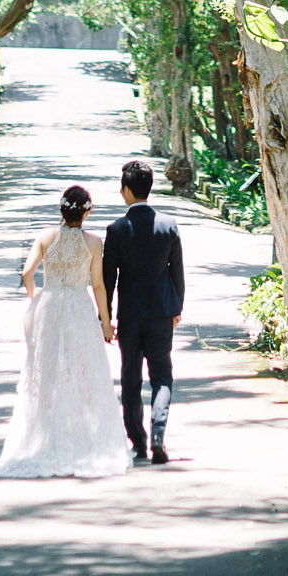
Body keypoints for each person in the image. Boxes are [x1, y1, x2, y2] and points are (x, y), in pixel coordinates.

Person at [0, 183, 128, 479]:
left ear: (61, 209)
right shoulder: (94, 243)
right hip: (77, 306)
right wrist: (106, 321)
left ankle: (43, 434)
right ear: (86, 212)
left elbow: (26, 273)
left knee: (44, 372)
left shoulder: (46, 237)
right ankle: (80, 434)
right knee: (83, 370)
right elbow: (98, 285)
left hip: (50, 304)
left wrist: (36, 299)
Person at [102, 158, 185, 464]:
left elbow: (108, 278)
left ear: (125, 191)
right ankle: (159, 436)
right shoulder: (168, 225)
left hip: (130, 315)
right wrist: (177, 308)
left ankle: (138, 441)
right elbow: (177, 272)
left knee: (130, 378)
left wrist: (105, 317)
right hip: (162, 312)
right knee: (162, 376)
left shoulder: (117, 229)